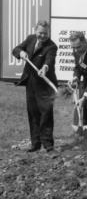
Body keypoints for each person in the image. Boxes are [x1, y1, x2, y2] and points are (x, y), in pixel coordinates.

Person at [12, 20, 57, 152]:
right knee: (33, 113)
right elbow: (16, 49)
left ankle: (48, 145)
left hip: (45, 84)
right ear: (35, 31)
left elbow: (50, 59)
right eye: (40, 33)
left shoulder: (52, 46)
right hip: (31, 82)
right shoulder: (30, 39)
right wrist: (20, 53)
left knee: (46, 113)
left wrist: (45, 67)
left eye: (45, 33)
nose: (42, 36)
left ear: (48, 32)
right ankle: (35, 143)